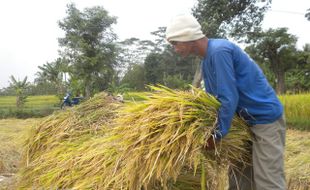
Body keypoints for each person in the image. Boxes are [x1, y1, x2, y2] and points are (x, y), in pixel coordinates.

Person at [165, 14, 286, 190]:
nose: (174, 48)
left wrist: (216, 135)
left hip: (264, 119)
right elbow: (214, 101)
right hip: (243, 123)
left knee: (268, 181)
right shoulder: (207, 61)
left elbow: (228, 97)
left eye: (175, 43)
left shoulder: (219, 51)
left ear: (188, 38)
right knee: (240, 180)